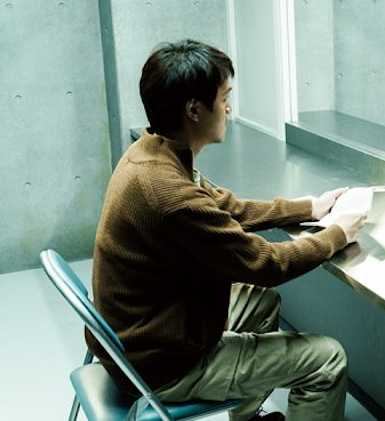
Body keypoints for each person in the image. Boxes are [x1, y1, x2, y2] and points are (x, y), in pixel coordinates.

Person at [87, 39, 368, 421]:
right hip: (162, 364)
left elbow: (222, 207)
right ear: (194, 110)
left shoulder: (150, 153)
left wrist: (307, 208)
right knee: (327, 360)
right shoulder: (169, 194)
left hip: (142, 335)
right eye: (224, 98)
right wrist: (337, 234)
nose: (229, 108)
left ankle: (246, 418)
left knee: (260, 302)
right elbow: (266, 263)